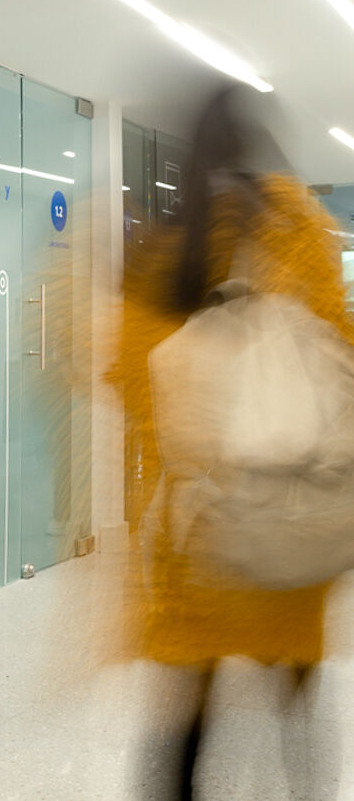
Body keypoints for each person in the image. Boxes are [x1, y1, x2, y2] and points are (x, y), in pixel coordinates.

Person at [110, 85, 346, 800]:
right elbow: (340, 351)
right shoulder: (298, 230)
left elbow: (129, 376)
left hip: (199, 527)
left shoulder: (165, 242)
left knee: (185, 714)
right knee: (298, 703)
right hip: (291, 510)